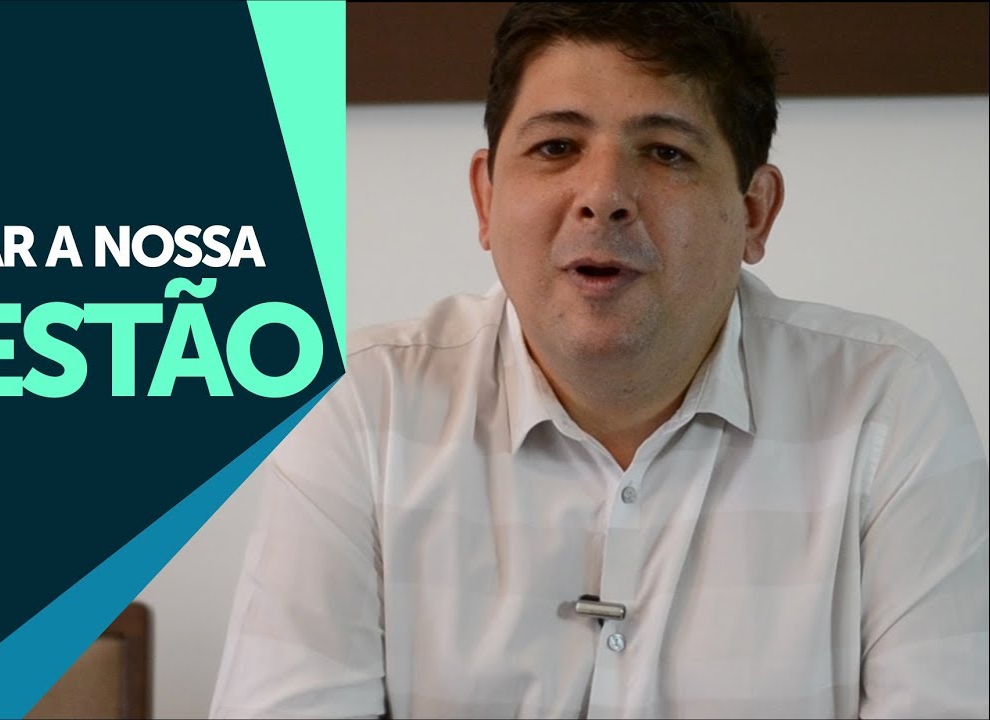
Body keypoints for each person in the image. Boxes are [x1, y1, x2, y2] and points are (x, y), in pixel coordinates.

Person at [211, 3, 989, 718]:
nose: (604, 194)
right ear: (486, 198)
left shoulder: (888, 408)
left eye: (666, 152)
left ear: (754, 212)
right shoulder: (365, 405)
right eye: (556, 147)